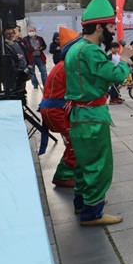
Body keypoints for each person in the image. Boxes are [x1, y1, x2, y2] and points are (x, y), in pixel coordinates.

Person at [64, 0, 130, 226]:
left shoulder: (76, 47)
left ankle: (83, 203)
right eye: (110, 26)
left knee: (83, 163)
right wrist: (124, 60)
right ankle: (93, 212)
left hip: (79, 114)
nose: (112, 30)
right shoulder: (91, 51)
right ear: (100, 27)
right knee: (99, 164)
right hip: (91, 116)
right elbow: (114, 75)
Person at [42, 27, 81, 188]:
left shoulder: (62, 65)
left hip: (54, 110)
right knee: (75, 143)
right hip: (56, 111)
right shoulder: (68, 67)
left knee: (73, 142)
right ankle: (63, 176)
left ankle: (67, 172)